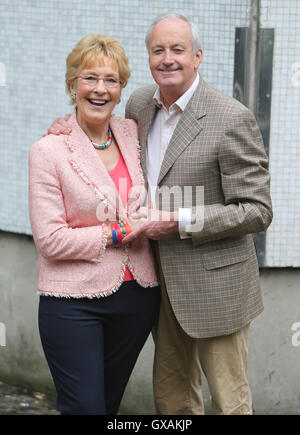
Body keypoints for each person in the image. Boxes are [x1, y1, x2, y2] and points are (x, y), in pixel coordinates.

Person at [46, 12, 273, 415]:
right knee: (173, 401)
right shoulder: (138, 106)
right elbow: (98, 126)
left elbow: (256, 210)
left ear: (198, 57)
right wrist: (68, 126)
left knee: (230, 402)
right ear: (149, 57)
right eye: (158, 50)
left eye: (178, 50)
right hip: (157, 286)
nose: (168, 59)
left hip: (215, 289)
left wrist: (182, 221)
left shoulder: (230, 117)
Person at [28, 33, 160, 415]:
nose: (100, 89)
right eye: (90, 78)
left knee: (107, 406)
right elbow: (50, 240)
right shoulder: (49, 150)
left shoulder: (133, 133)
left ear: (121, 89)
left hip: (137, 297)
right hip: (73, 303)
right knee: (84, 407)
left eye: (111, 80)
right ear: (73, 84)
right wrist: (117, 233)